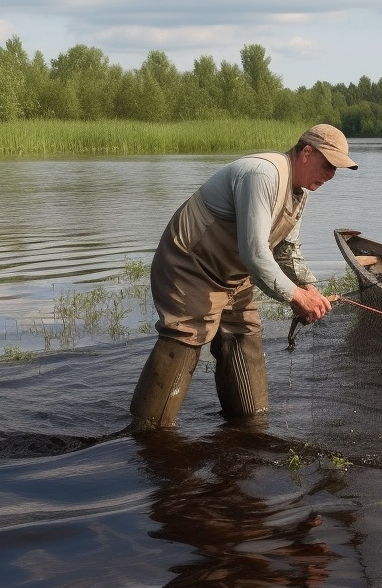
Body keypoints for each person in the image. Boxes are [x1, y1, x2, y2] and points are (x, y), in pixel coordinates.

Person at [130, 124, 358, 430]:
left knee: (246, 337)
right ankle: (147, 434)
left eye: (336, 169)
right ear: (306, 153)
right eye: (328, 165)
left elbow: (287, 251)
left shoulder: (300, 192)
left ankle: (248, 429)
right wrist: (296, 297)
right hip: (189, 267)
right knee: (187, 335)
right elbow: (255, 254)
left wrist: (308, 287)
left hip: (232, 277)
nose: (331, 175)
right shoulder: (263, 174)